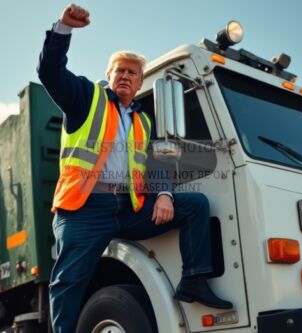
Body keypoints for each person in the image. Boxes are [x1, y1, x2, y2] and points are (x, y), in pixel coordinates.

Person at [37, 4, 232, 332]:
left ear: (141, 81)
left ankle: (194, 281)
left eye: (132, 72)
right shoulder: (87, 98)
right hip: (85, 208)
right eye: (120, 71)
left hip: (128, 209)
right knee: (68, 282)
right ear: (109, 76)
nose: (126, 76)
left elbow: (161, 160)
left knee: (195, 205)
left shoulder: (144, 121)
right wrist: (63, 30)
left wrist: (166, 195)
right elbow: (50, 73)